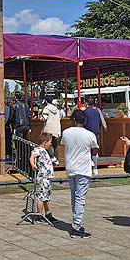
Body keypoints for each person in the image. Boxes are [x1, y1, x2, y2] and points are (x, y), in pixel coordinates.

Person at [61, 109, 99, 238]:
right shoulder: (90, 135)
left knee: (74, 196)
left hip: (70, 167)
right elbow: (94, 149)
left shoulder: (66, 132)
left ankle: (76, 222)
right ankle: (76, 225)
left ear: (73, 120)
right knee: (80, 198)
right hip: (83, 168)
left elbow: (64, 144)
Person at [30, 133, 57, 223]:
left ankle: (48, 214)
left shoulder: (45, 151)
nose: (51, 144)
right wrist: (33, 165)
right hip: (42, 178)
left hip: (47, 178)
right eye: (50, 142)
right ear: (44, 142)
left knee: (46, 197)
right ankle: (40, 215)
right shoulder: (39, 149)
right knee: (41, 197)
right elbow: (32, 156)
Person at [83, 99, 106, 175]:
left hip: (88, 132)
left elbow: (84, 123)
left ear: (86, 103)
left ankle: (89, 167)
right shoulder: (96, 111)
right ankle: (95, 168)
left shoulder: (85, 112)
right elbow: (100, 122)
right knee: (95, 150)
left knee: (87, 150)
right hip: (96, 132)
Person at [40, 99, 62, 165]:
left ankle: (52, 157)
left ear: (46, 101)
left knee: (47, 143)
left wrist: (40, 117)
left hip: (49, 129)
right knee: (55, 145)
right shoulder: (57, 109)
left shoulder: (46, 108)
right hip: (56, 129)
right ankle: (56, 159)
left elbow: (44, 118)